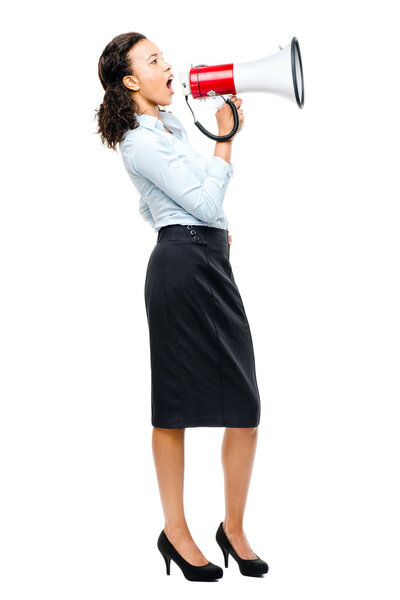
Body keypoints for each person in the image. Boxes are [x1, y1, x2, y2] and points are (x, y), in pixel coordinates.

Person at [95, 32, 268, 581]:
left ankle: (232, 529)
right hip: (178, 273)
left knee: (244, 406)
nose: (168, 64)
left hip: (208, 264)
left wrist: (206, 230)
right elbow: (206, 199)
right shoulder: (138, 141)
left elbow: (168, 204)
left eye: (163, 56)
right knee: (174, 406)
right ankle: (175, 531)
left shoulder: (167, 126)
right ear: (130, 81)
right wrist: (225, 139)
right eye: (153, 60)